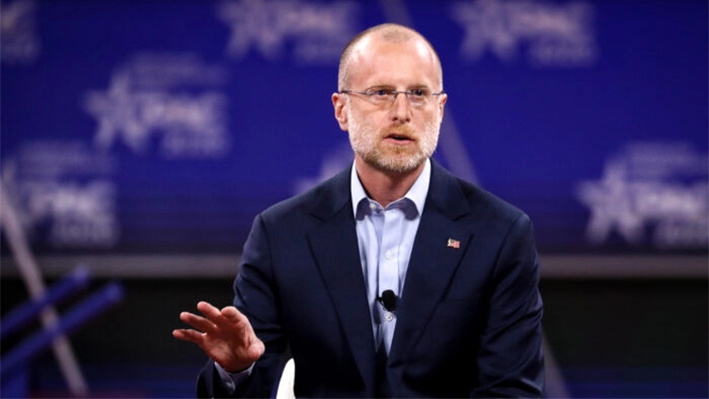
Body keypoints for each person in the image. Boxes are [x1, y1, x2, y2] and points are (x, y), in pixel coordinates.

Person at [173, 23, 544, 398]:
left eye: (418, 94)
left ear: (440, 108)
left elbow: (512, 390)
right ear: (342, 110)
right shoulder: (281, 233)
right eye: (381, 93)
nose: (402, 111)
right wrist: (238, 368)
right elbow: (248, 384)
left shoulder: (499, 233)